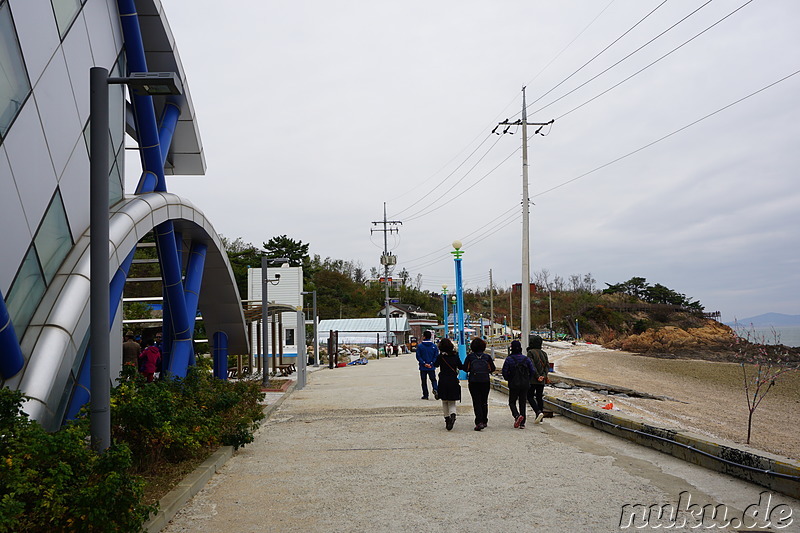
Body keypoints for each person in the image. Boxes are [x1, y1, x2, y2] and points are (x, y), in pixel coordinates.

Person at [463, 337, 496, 431]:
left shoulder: (470, 357)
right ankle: (485, 420)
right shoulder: (487, 357)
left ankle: (479, 422)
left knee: (476, 401)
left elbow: (465, 368)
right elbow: (492, 368)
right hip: (485, 380)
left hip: (473, 381)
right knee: (484, 401)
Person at [502, 340, 536, 429]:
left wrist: (508, 379)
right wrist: (528, 379)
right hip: (524, 384)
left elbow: (504, 372)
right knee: (522, 402)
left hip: (514, 384)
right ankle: (522, 423)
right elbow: (532, 371)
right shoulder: (526, 359)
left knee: (512, 402)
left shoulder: (509, 359)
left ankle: (517, 416)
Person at [434, 338, 462, 430]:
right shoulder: (455, 355)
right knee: (452, 401)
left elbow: (435, 365)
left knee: (444, 401)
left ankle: (447, 419)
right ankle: (453, 414)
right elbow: (461, 366)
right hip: (453, 380)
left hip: (443, 380)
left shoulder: (441, 357)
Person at [526, 334, 550, 424]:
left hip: (533, 379)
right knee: (539, 397)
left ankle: (538, 411)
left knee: (530, 396)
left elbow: (531, 365)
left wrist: (537, 376)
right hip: (542, 379)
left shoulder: (530, 352)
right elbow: (547, 366)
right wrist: (543, 376)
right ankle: (540, 418)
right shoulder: (544, 353)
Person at [415, 330, 439, 400]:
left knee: (424, 381)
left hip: (423, 367)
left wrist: (424, 363)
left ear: (424, 337)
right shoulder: (434, 346)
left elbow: (418, 356)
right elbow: (436, 356)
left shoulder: (420, 346)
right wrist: (432, 363)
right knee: (433, 380)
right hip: (431, 366)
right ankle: (435, 389)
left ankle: (425, 395)